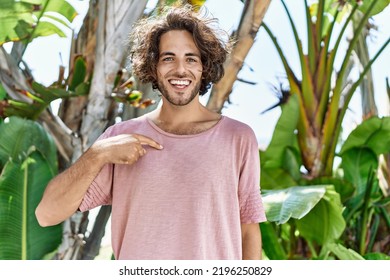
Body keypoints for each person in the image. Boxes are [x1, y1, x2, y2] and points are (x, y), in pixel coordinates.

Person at [36, 4, 266, 260]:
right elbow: (46, 214)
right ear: (153, 66)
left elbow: (248, 230)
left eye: (191, 58)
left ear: (204, 67)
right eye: (168, 58)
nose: (180, 69)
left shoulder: (237, 138)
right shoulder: (119, 139)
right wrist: (97, 153)